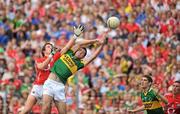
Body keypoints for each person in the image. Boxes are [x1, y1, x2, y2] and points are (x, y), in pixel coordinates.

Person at [20, 25, 85, 114]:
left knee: (48, 109)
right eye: (48, 46)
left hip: (49, 85)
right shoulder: (39, 59)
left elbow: (66, 48)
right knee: (26, 110)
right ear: (43, 51)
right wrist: (51, 56)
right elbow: (42, 66)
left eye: (51, 46)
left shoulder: (56, 57)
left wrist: (75, 36)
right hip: (38, 86)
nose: (51, 47)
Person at [41, 32, 108, 114]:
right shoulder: (68, 52)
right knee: (46, 107)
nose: (80, 52)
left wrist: (102, 45)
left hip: (60, 87)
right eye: (79, 50)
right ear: (76, 51)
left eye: (83, 53)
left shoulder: (79, 64)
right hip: (50, 82)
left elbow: (93, 56)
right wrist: (95, 41)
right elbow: (78, 43)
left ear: (83, 57)